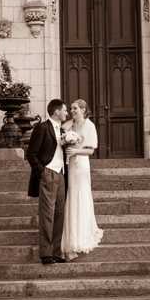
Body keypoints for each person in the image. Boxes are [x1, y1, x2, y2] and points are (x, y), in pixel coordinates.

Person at [26, 99, 68, 265]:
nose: (66, 113)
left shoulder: (63, 130)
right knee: (47, 215)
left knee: (59, 214)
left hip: (61, 174)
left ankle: (57, 252)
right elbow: (31, 153)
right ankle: (46, 253)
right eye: (64, 110)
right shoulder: (42, 128)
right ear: (56, 112)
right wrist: (42, 172)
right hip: (48, 173)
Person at [61, 99, 103, 260]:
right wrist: (67, 138)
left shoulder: (89, 126)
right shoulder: (71, 125)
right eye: (71, 108)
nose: (72, 111)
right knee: (72, 197)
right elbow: (62, 131)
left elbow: (91, 150)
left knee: (80, 196)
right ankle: (71, 238)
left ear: (84, 109)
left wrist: (76, 151)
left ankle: (81, 237)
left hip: (81, 165)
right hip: (71, 165)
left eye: (75, 108)